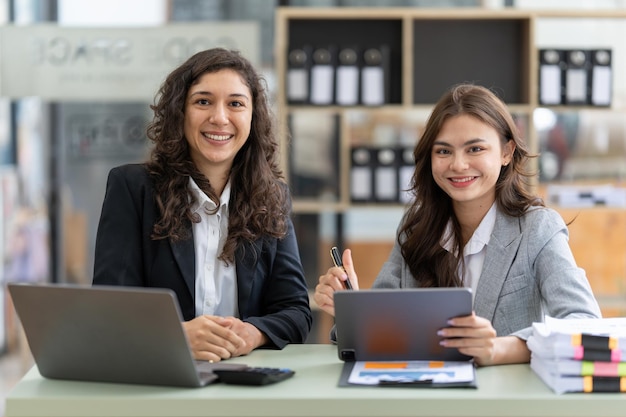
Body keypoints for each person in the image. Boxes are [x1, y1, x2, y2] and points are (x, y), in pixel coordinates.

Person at [314, 83, 601, 366]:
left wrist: (499, 350)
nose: (458, 165)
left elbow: (585, 323)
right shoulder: (416, 229)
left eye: (475, 149)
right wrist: (349, 307)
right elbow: (373, 335)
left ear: (506, 152)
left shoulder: (537, 228)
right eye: (443, 151)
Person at [93, 48, 312, 362]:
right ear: (180, 112)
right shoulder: (133, 188)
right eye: (203, 101)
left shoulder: (272, 197)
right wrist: (177, 336)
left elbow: (295, 312)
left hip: (245, 383)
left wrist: (253, 333)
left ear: (253, 116)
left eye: (235, 103)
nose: (219, 118)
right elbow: (110, 308)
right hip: (161, 377)